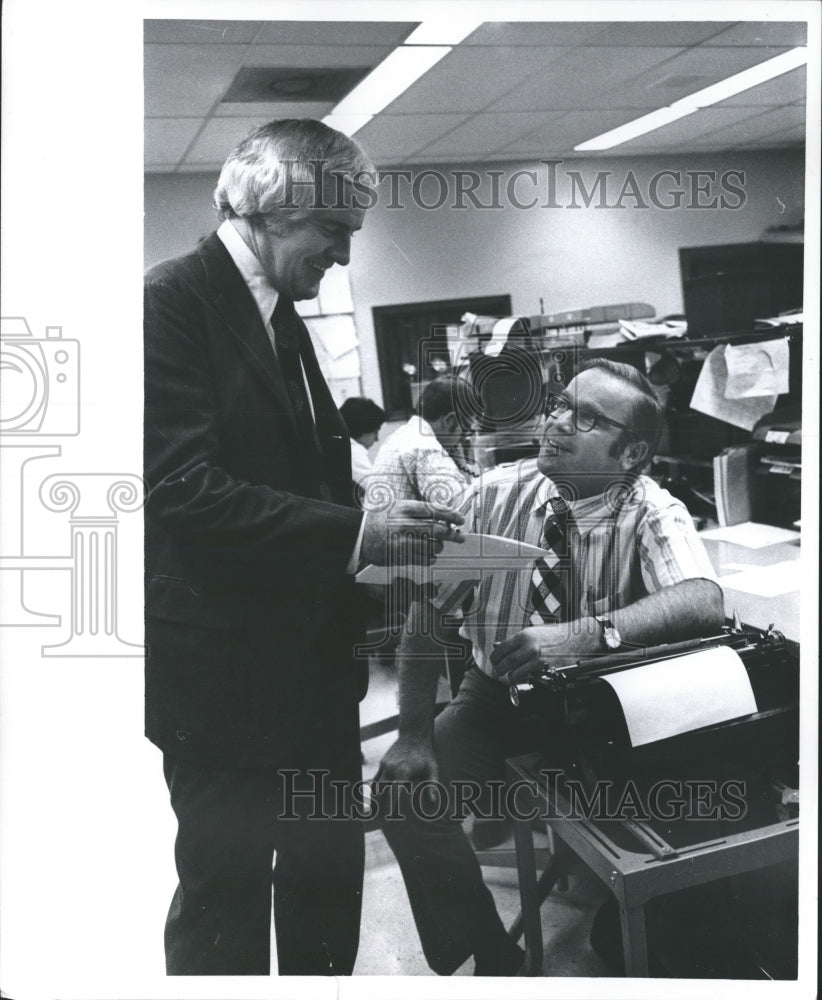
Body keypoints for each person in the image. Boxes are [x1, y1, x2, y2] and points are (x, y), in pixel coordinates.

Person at [143, 118, 463, 977]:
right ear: (278, 207)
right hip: (222, 688)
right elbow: (181, 488)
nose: (345, 258)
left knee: (327, 882)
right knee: (227, 898)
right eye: (336, 231)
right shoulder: (169, 301)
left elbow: (309, 477)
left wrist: (389, 516)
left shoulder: (283, 317)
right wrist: (362, 531)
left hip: (311, 676)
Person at [375, 358, 725, 976]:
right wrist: (410, 733)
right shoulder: (492, 495)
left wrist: (586, 635)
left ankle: (636, 920)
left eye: (586, 417)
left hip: (602, 707)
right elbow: (426, 616)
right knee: (404, 793)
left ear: (630, 453)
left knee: (688, 811)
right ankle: (490, 949)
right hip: (496, 696)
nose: (557, 422)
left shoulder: (649, 510)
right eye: (561, 404)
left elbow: (703, 599)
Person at [365, 375, 477, 511]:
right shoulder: (425, 447)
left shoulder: (404, 434)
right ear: (450, 421)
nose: (464, 438)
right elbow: (462, 508)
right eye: (467, 430)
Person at [339, 395, 386, 496]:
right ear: (361, 429)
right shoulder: (353, 452)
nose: (377, 439)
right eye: (375, 432)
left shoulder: (340, 444)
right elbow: (379, 489)